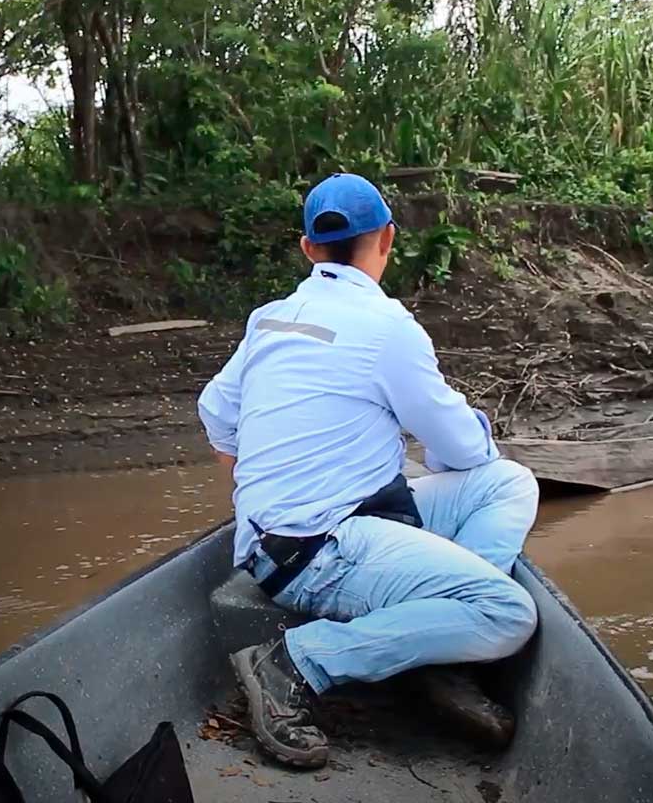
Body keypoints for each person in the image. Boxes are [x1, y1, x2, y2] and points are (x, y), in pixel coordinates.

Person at [197, 173, 539, 769]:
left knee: (511, 483)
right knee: (506, 612)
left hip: (291, 532)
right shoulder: (388, 329)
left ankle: (435, 649)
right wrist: (469, 438)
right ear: (387, 239)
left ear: (308, 248)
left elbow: (215, 410)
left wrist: (257, 479)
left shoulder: (271, 319)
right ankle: (294, 662)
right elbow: (461, 448)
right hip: (320, 547)